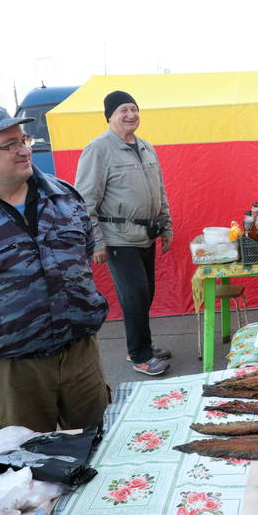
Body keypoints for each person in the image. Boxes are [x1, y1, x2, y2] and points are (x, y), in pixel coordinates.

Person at [0, 103, 110, 433]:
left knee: (102, 451)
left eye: (24, 140)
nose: (24, 150)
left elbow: (82, 257)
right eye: (10, 145)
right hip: (11, 371)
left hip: (81, 357)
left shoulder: (63, 196)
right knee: (21, 471)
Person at [75, 91, 174, 376]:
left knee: (146, 293)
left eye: (134, 109)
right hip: (118, 236)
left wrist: (166, 226)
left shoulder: (146, 148)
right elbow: (85, 199)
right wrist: (96, 242)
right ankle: (140, 355)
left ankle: (143, 346)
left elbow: (160, 191)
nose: (131, 115)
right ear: (109, 116)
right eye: (123, 110)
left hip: (146, 234)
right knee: (134, 294)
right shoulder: (98, 150)